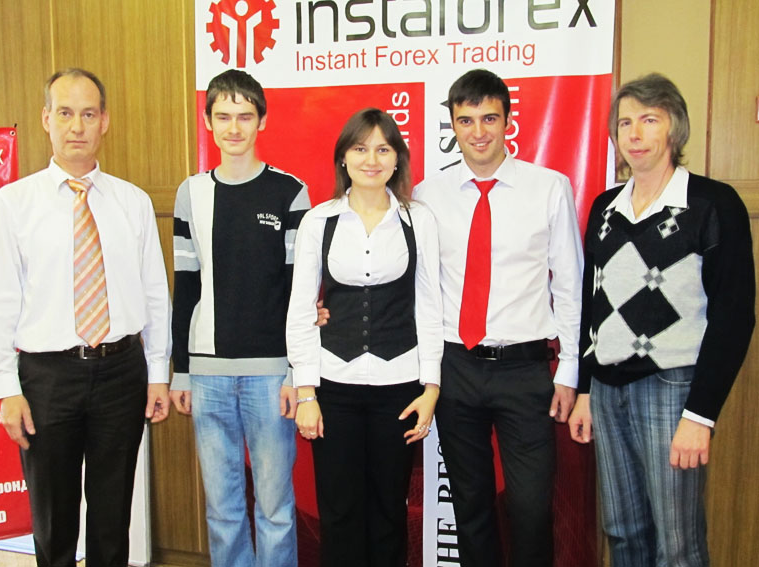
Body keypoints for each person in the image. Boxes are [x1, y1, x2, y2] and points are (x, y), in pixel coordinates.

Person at [0, 68, 172, 567]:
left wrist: (157, 373)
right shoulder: (13, 203)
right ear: (46, 119)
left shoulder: (133, 202)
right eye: (65, 113)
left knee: (113, 516)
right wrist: (6, 388)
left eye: (88, 114)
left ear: (104, 121)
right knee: (54, 518)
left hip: (121, 373)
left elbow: (155, 294)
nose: (77, 126)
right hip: (47, 378)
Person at [569, 73, 755, 566]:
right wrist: (585, 390)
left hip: (673, 391)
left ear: (674, 127)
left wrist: (700, 415)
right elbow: (593, 304)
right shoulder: (604, 208)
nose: (634, 134)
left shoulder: (712, 204)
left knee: (678, 543)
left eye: (649, 120)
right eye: (624, 123)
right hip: (607, 391)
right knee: (622, 533)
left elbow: (735, 316)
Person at [414, 69, 584, 567]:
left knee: (531, 508)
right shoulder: (427, 195)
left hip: (524, 371)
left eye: (489, 118)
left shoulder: (548, 188)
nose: (478, 132)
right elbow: (416, 285)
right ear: (452, 125)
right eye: (466, 120)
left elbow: (569, 285)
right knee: (470, 507)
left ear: (509, 120)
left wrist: (570, 370)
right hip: (455, 369)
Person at [286, 108, 443, 567]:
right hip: (334, 386)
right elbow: (301, 309)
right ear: (343, 157)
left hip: (399, 386)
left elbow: (430, 305)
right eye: (360, 148)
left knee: (389, 509)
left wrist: (431, 388)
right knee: (340, 512)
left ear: (397, 159)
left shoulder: (418, 220)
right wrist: (306, 392)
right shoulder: (319, 221)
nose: (371, 159)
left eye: (382, 149)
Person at [169, 69, 310, 567]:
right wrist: (180, 371)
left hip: (271, 375)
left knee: (275, 508)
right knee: (223, 510)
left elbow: (299, 293)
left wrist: (296, 373)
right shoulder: (190, 194)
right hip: (206, 376)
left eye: (245, 116)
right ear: (208, 122)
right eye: (224, 116)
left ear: (262, 121)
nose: (234, 128)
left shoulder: (290, 192)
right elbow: (185, 287)